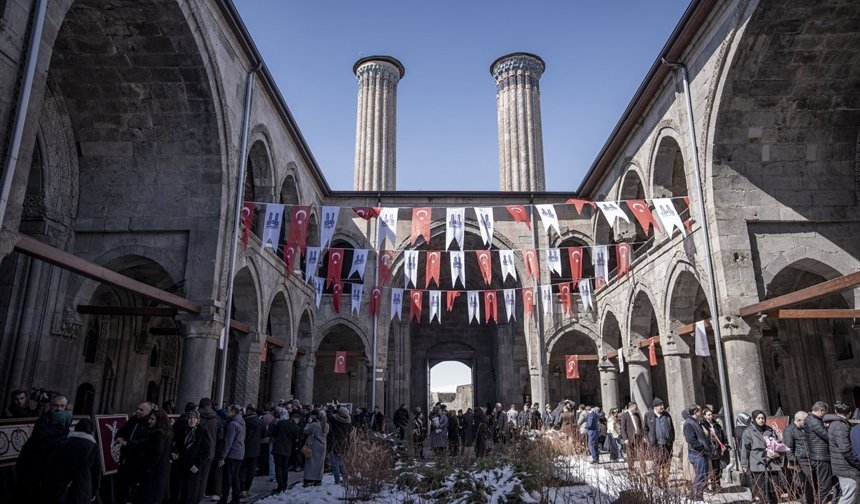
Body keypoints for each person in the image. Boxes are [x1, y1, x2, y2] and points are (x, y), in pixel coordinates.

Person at [12, 406, 72, 503]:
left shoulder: (37, 435)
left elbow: (22, 458)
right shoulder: (63, 442)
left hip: (26, 482)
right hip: (44, 489)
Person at [41, 418, 100, 504]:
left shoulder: (64, 443)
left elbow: (52, 465)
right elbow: (96, 472)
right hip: (83, 486)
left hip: (62, 485)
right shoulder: (94, 447)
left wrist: (45, 483)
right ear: (91, 432)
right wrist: (94, 491)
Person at [131, 409, 172, 504]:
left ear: (159, 421)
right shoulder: (167, 432)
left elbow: (157, 452)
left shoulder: (158, 433)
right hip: (160, 471)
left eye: (152, 419)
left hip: (154, 472)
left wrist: (148, 467)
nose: (149, 421)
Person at [115, 401, 153, 503]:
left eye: (141, 410)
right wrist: (121, 439)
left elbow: (145, 441)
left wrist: (128, 444)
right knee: (120, 488)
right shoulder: (133, 420)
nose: (138, 411)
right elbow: (120, 432)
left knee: (134, 491)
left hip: (138, 462)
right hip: (125, 459)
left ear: (149, 412)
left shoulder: (150, 423)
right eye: (138, 409)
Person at [741, 410, 781, 504]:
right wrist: (744, 464)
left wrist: (777, 453)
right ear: (754, 419)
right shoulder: (748, 431)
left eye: (763, 418)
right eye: (759, 418)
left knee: (774, 490)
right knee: (762, 492)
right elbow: (744, 449)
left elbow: (776, 444)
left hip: (771, 463)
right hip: (757, 464)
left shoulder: (769, 430)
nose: (761, 420)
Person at [173, 410, 211, 504]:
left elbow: (206, 451)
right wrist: (174, 453)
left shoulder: (202, 431)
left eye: (194, 418)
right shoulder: (182, 430)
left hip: (193, 466)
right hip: (180, 464)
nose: (192, 420)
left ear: (198, 420)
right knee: (178, 490)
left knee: (190, 492)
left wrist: (197, 465)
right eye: (190, 418)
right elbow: (175, 444)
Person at [827, 401, 860, 504]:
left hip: (843, 466)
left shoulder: (836, 424)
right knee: (849, 497)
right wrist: (857, 463)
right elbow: (845, 449)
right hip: (846, 467)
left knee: (853, 496)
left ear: (836, 411)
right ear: (850, 413)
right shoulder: (840, 426)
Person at [807, 401, 837, 503]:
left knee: (828, 484)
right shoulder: (813, 421)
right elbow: (827, 436)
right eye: (826, 412)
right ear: (821, 410)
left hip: (820, 455)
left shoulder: (812, 419)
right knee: (825, 486)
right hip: (821, 456)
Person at [682, 404, 713, 501]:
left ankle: (696, 496)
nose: (701, 412)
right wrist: (702, 447)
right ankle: (696, 497)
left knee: (703, 476)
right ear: (695, 412)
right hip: (697, 454)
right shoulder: (689, 423)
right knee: (701, 476)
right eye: (699, 411)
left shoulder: (697, 422)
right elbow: (691, 440)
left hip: (702, 453)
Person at [218, 404, 246, 504]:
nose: (226, 412)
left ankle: (224, 498)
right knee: (235, 477)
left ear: (234, 412)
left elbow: (228, 442)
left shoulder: (233, 424)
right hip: (240, 452)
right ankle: (235, 498)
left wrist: (222, 457)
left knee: (228, 478)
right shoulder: (241, 421)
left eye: (228, 410)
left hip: (232, 454)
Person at [784, 410, 813, 504]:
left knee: (813, 483)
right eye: (805, 420)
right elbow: (788, 448)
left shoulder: (804, 428)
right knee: (807, 484)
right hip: (801, 461)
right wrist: (793, 463)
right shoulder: (789, 430)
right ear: (799, 420)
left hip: (810, 459)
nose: (807, 422)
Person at [644, 398, 674, 486]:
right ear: (655, 407)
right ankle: (656, 482)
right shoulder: (648, 415)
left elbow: (671, 428)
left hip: (667, 443)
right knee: (657, 462)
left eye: (662, 405)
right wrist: (649, 441)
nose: (662, 407)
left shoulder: (667, 415)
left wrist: (671, 439)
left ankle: (665, 481)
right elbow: (645, 429)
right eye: (660, 405)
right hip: (656, 444)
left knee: (667, 462)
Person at [197, 397, 223, 501]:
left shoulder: (195, 415)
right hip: (210, 450)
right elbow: (220, 437)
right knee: (204, 476)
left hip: (194, 450)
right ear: (210, 405)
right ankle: (199, 497)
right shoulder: (217, 418)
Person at [269, 408, 300, 494]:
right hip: (287, 449)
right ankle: (285, 484)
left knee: (278, 467)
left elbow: (273, 433)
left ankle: (280, 486)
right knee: (284, 467)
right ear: (297, 419)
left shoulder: (281, 423)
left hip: (278, 448)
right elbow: (295, 440)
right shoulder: (296, 428)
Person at [701, 406, 729, 493]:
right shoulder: (702, 425)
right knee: (710, 468)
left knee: (717, 467)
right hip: (709, 449)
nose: (710, 416)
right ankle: (710, 486)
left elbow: (722, 434)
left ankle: (717, 484)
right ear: (704, 416)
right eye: (708, 415)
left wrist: (725, 443)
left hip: (716, 449)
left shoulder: (716, 424)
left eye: (711, 414)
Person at [303, 408, 328, 486]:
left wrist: (308, 422)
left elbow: (305, 430)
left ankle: (308, 478)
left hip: (314, 445)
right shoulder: (327, 425)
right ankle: (318, 479)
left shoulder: (314, 425)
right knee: (320, 463)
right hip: (323, 445)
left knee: (310, 463)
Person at [240, 404, 261, 497]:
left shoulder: (245, 421)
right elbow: (264, 434)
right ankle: (247, 489)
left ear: (248, 410)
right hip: (256, 449)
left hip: (244, 448)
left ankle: (242, 489)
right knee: (251, 471)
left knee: (242, 470)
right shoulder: (260, 422)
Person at [329, 406, 353, 485]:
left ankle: (337, 481)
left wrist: (332, 409)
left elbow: (329, 416)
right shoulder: (349, 422)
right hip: (345, 445)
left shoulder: (335, 421)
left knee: (335, 464)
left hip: (335, 444)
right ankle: (345, 479)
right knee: (342, 463)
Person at [620, 402, 645, 473]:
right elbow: (623, 428)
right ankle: (631, 469)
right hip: (630, 437)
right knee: (630, 454)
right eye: (635, 408)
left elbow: (640, 425)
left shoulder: (637, 415)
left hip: (638, 436)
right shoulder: (625, 415)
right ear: (631, 407)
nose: (636, 409)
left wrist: (642, 434)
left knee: (641, 452)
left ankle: (643, 468)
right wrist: (625, 438)